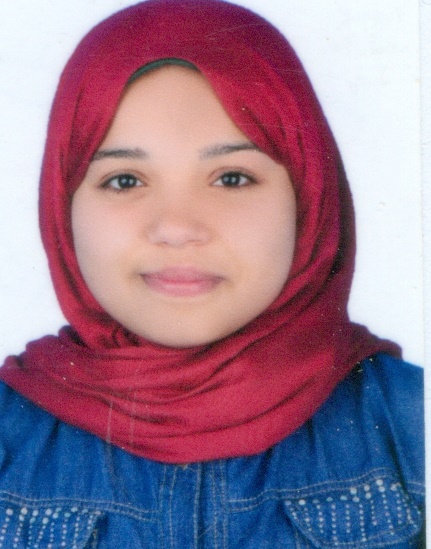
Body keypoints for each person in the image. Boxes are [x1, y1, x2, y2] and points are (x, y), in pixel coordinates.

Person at [0, 0, 424, 546]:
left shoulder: (408, 426)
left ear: (308, 195)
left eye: (231, 178)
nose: (177, 228)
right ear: (62, 206)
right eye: (125, 180)